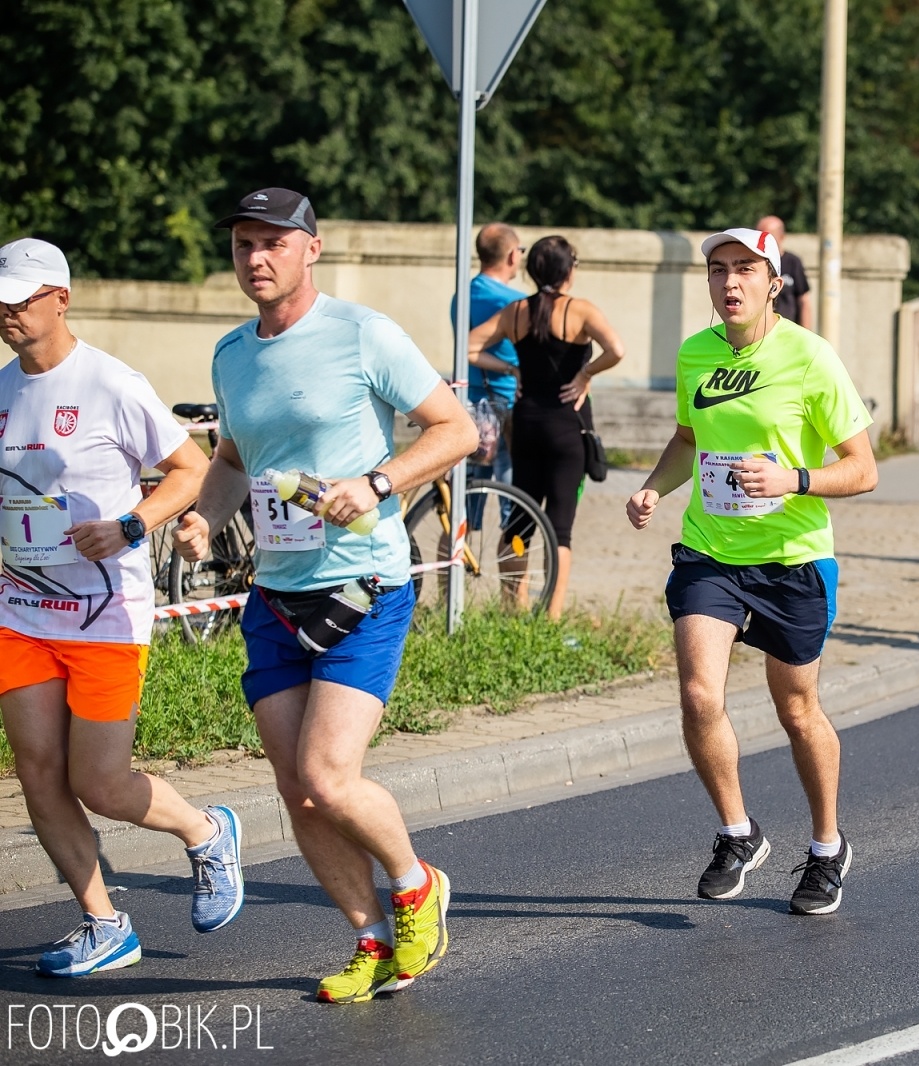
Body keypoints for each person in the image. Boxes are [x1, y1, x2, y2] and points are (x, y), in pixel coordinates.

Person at [177, 188, 479, 1003]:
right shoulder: (232, 353)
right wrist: (205, 521)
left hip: (363, 585)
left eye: (273, 243)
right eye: (243, 244)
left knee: (328, 773)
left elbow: (457, 430)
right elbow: (234, 459)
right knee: (295, 789)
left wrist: (376, 482)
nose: (256, 258)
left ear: (313, 248)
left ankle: (417, 884)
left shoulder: (362, 333)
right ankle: (368, 937)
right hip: (276, 596)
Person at [0, 239, 244, 976]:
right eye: (0, 298)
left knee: (99, 781)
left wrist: (132, 524)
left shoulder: (109, 382)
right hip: (19, 612)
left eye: (21, 297)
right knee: (38, 774)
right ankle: (103, 922)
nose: (7, 310)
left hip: (105, 614)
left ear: (61, 298)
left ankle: (205, 832)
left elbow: (191, 469)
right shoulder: (3, 387)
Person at [625, 227, 877, 915]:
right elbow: (687, 439)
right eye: (717, 270)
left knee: (796, 710)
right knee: (699, 695)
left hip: (793, 560)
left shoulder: (810, 358)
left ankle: (827, 846)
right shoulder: (695, 355)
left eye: (744, 269)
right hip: (711, 553)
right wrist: (654, 486)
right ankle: (738, 832)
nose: (729, 283)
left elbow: (864, 469)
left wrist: (792, 478)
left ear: (774, 281)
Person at [468, 236, 625, 619]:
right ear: (568, 269)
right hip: (566, 428)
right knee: (560, 528)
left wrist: (512, 368)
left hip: (526, 426)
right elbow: (616, 350)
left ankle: (511, 606)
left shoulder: (516, 311)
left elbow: (471, 347)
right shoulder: (580, 310)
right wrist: (586, 373)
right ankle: (551, 618)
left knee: (519, 519)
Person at [455, 223, 523, 495]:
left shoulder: (459, 297)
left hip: (472, 405)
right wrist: (511, 368)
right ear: (512, 255)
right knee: (511, 489)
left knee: (470, 491)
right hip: (507, 402)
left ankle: (463, 536)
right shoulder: (517, 302)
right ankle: (511, 537)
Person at [757, 216, 814, 331]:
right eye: (758, 235)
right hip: (761, 333)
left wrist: (806, 334)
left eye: (766, 236)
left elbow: (804, 301)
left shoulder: (793, 262)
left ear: (781, 237)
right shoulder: (756, 264)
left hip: (788, 332)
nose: (761, 240)